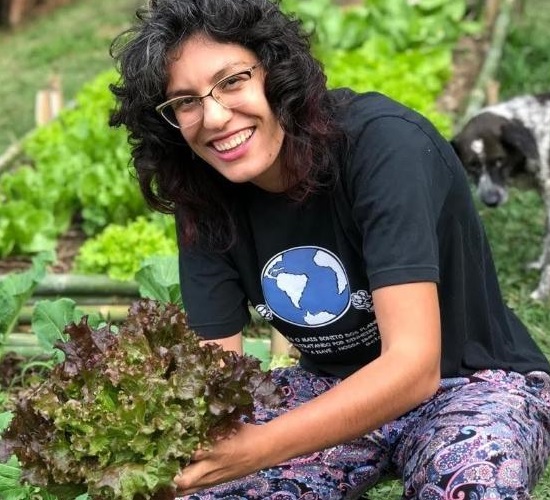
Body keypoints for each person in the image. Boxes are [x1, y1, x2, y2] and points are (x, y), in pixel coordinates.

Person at [109, 0, 550, 498]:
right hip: (329, 390)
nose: (214, 117)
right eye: (185, 102)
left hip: (472, 383)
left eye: (232, 81)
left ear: (275, 70)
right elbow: (216, 376)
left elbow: (414, 367)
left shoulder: (383, 146)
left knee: (468, 489)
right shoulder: (203, 192)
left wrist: (259, 448)